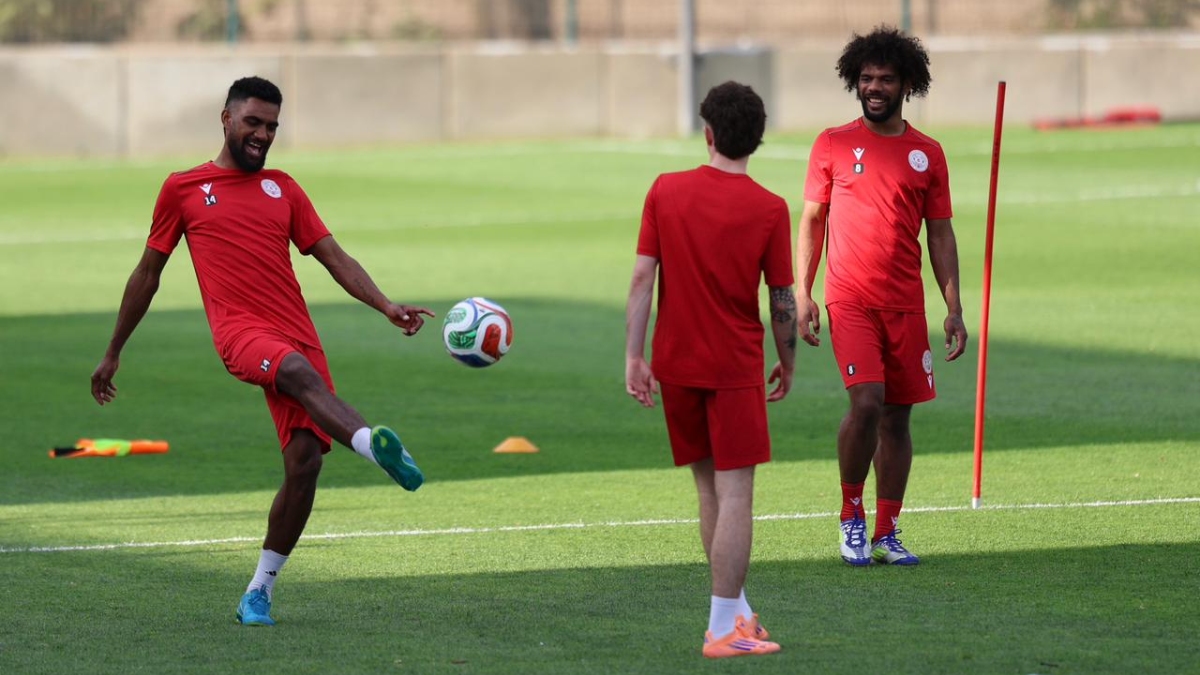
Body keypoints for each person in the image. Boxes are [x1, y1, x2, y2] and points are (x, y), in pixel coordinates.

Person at [90, 76, 433, 626]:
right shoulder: (183, 188)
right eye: (253, 122)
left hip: (297, 331)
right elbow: (147, 274)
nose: (263, 134)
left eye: (272, 125)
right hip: (241, 335)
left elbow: (333, 256)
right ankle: (373, 445)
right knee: (296, 373)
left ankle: (258, 591)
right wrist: (113, 351)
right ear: (225, 119)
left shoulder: (284, 188)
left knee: (303, 466)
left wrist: (385, 305)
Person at [625, 81, 796, 659]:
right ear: (759, 139)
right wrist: (789, 360)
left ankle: (738, 611)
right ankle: (723, 629)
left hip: (675, 365)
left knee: (709, 490)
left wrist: (634, 355)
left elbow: (643, 279)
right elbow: (781, 299)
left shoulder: (665, 190)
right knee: (738, 494)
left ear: (708, 132)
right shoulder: (769, 208)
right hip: (734, 368)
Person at [796, 26, 968, 567]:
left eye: (885, 79)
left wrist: (954, 307)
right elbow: (812, 221)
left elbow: (939, 233)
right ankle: (852, 515)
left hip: (906, 305)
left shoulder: (928, 154)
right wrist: (801, 292)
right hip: (850, 299)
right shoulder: (832, 143)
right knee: (866, 403)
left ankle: (888, 531)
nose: (874, 87)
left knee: (898, 418)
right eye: (866, 78)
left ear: (907, 84)